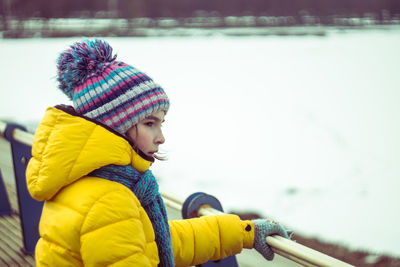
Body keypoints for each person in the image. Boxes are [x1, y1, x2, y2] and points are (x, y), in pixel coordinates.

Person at [26, 39, 291, 266]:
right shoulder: (109, 200)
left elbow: (154, 240)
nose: (161, 138)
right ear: (116, 124)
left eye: (161, 124)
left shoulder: (89, 181)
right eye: (149, 123)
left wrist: (246, 233)